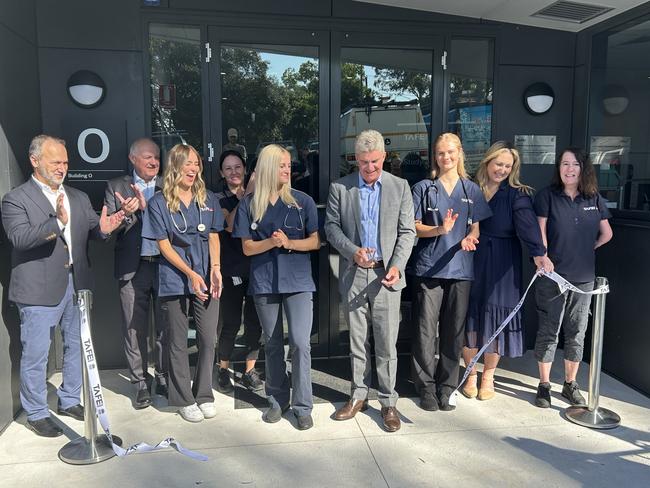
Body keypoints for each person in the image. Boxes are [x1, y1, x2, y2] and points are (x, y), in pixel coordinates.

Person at [1, 135, 124, 437]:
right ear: (35, 161)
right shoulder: (16, 199)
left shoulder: (78, 196)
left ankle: (69, 399)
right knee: (36, 354)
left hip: (77, 284)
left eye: (65, 162)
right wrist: (56, 222)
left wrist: (106, 229)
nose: (62, 168)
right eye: (55, 161)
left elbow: (94, 230)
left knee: (77, 347)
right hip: (37, 290)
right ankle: (37, 412)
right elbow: (20, 238)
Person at [325, 129, 416, 433]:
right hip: (354, 272)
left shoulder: (400, 187)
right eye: (363, 162)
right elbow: (332, 228)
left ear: (384, 157)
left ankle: (388, 402)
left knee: (387, 342)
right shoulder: (341, 188)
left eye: (375, 161)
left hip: (386, 275)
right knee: (357, 342)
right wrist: (352, 252)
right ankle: (358, 395)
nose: (369, 168)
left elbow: (407, 232)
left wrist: (398, 266)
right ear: (355, 159)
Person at [232, 144, 320, 430]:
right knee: (271, 345)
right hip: (265, 282)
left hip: (298, 282)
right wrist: (271, 242)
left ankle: (303, 405)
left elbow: (315, 241)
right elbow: (246, 248)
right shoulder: (249, 204)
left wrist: (290, 243)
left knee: (300, 342)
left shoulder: (302, 201)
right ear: (269, 168)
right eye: (282, 165)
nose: (288, 169)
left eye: (289, 165)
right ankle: (276, 401)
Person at [461, 142, 553, 401]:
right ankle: (469, 373)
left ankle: (488, 375)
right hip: (470, 259)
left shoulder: (518, 194)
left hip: (503, 263)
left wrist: (539, 253)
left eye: (507, 166)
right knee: (469, 316)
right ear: (487, 162)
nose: (501, 169)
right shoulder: (470, 188)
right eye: (498, 164)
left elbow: (528, 227)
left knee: (495, 321)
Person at [409, 132, 491, 412]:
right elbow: (413, 227)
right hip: (429, 267)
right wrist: (440, 230)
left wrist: (470, 237)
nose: (446, 158)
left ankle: (447, 387)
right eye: (441, 153)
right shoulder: (423, 188)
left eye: (450, 152)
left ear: (460, 154)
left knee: (453, 332)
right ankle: (426, 387)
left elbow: (475, 225)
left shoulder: (472, 190)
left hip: (460, 269)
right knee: (424, 330)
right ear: (435, 156)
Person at [142, 143, 223, 423]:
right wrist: (190, 273)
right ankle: (183, 399)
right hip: (175, 279)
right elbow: (164, 246)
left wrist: (215, 268)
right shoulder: (158, 203)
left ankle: (203, 394)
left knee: (208, 338)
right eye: (187, 163)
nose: (193, 169)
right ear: (175, 165)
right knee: (177, 342)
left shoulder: (208, 197)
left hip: (206, 278)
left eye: (196, 163)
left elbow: (213, 235)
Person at [533, 147, 613, 408]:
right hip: (552, 277)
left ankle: (570, 384)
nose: (569, 169)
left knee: (577, 331)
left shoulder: (594, 198)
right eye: (564, 164)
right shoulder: (547, 196)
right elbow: (540, 232)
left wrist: (588, 249)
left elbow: (607, 234)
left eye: (574, 164)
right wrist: (544, 257)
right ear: (559, 168)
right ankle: (544, 385)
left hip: (584, 279)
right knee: (549, 330)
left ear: (583, 168)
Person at [104, 138, 168, 410]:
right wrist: (122, 213)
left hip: (166, 265)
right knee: (133, 328)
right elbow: (105, 232)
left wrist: (147, 209)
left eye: (156, 157)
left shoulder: (168, 185)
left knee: (167, 326)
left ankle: (164, 376)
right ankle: (139, 382)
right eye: (147, 157)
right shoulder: (116, 187)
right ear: (133, 159)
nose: (154, 162)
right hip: (133, 267)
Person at [214, 150, 263, 393]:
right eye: (228, 168)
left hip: (256, 268)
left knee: (255, 323)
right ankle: (223, 368)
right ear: (222, 173)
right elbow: (231, 225)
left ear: (245, 169)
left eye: (238, 167)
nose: (234, 172)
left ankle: (249, 370)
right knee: (231, 322)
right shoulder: (217, 199)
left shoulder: (259, 195)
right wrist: (247, 196)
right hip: (231, 267)